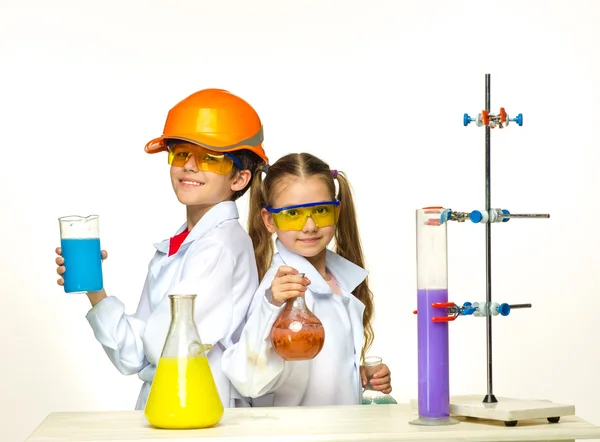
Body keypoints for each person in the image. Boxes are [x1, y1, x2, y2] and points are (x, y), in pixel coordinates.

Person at [54, 88, 269, 409]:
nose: (190, 166)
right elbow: (131, 357)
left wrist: (145, 344)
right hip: (169, 405)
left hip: (201, 409)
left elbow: (160, 347)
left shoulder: (220, 246)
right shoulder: (178, 245)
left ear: (239, 179)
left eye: (210, 157)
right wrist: (95, 290)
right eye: (181, 153)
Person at [221, 152, 392, 406]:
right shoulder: (278, 290)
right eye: (293, 214)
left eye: (321, 210)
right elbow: (249, 380)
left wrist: (360, 377)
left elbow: (320, 371)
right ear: (269, 220)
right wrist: (270, 305)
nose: (310, 226)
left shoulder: (339, 280)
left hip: (339, 430)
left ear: (337, 211)